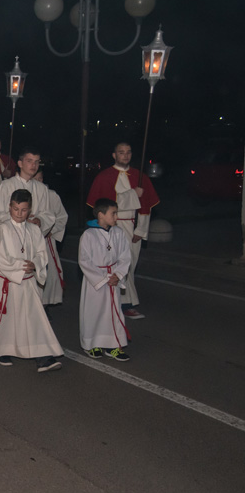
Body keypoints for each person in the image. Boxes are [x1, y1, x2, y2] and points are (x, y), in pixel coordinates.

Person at [0, 189, 63, 372]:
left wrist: (35, 263)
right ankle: (3, 350)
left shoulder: (34, 230)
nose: (19, 213)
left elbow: (41, 253)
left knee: (34, 319)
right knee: (8, 320)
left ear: (30, 210)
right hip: (9, 281)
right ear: (9, 207)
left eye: (23, 210)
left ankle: (43, 357)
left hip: (28, 283)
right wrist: (22, 265)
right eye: (15, 209)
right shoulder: (2, 229)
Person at [87, 141, 159, 320]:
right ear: (114, 155)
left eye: (128, 152)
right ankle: (118, 303)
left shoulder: (139, 176)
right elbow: (104, 205)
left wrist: (141, 230)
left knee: (129, 265)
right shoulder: (105, 177)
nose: (125, 155)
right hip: (111, 227)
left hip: (131, 226)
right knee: (111, 265)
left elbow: (145, 206)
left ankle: (125, 303)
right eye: (121, 152)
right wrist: (133, 194)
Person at [79, 198, 132, 361]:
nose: (116, 217)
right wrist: (103, 279)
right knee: (94, 312)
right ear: (101, 215)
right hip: (95, 280)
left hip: (113, 276)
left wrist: (118, 275)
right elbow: (84, 260)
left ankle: (113, 346)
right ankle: (92, 344)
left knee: (112, 313)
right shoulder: (89, 235)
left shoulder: (118, 233)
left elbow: (125, 256)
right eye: (113, 213)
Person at [0, 147, 54, 237]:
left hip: (32, 236)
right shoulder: (6, 185)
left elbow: (47, 214)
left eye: (36, 162)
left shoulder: (42, 188)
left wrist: (40, 220)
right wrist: (21, 220)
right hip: (11, 236)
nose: (34, 165)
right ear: (20, 163)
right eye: (29, 161)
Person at [33, 168, 68, 309]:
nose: (38, 181)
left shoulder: (51, 195)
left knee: (48, 274)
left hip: (46, 242)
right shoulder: (24, 194)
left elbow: (62, 217)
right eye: (35, 179)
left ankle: (44, 305)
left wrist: (51, 230)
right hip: (27, 244)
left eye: (40, 178)